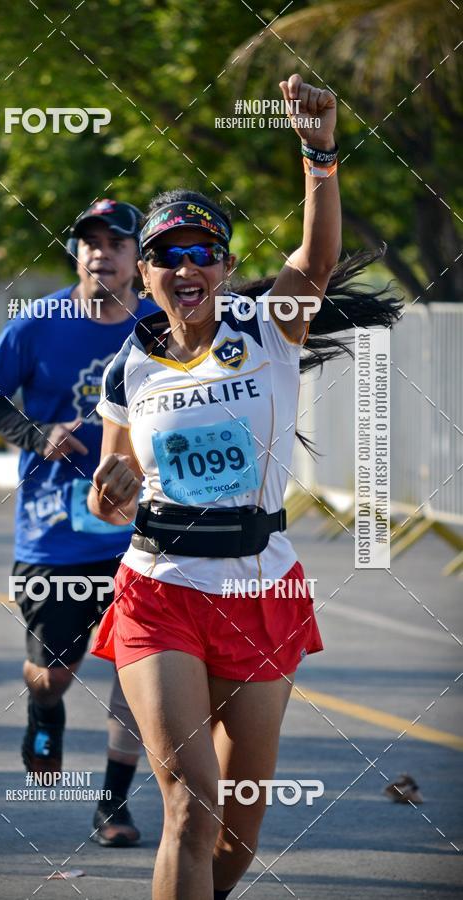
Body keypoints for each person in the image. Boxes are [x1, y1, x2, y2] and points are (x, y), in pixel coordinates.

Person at [87, 76, 401, 897]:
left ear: (225, 265)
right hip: (160, 589)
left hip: (262, 587)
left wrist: (319, 153)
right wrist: (107, 491)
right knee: (190, 809)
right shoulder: (130, 369)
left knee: (236, 833)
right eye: (167, 254)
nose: (186, 266)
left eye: (203, 251)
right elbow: (109, 490)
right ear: (146, 272)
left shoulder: (268, 329)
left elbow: (318, 257)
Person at [0, 198, 157, 846]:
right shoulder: (38, 323)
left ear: (138, 257)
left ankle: (112, 805)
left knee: (137, 670)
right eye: (90, 241)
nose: (101, 252)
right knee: (53, 672)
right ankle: (42, 710)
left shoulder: (162, 326)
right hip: (54, 532)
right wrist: (34, 432)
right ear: (76, 252)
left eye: (116, 242)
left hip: (143, 534)